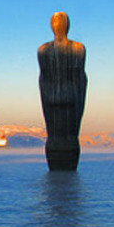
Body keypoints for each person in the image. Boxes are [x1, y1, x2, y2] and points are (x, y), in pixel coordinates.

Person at [38, 12, 87, 170]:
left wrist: (46, 98)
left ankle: (56, 169)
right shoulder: (78, 48)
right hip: (72, 97)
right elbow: (80, 78)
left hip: (51, 97)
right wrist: (79, 101)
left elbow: (43, 79)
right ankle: (67, 170)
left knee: (54, 137)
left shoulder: (43, 50)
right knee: (70, 136)